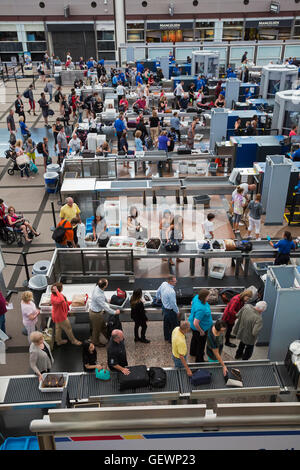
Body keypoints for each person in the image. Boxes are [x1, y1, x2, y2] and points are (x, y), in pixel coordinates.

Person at [89, 279, 120, 347]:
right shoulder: (98, 296)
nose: (107, 283)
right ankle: (96, 342)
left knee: (103, 326)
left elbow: (103, 294)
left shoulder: (98, 287)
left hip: (97, 313)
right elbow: (106, 308)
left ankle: (109, 338)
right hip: (96, 314)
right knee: (96, 330)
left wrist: (107, 300)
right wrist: (115, 312)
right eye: (107, 283)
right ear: (104, 286)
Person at [188, 289, 213, 363]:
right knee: (201, 345)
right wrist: (201, 331)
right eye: (208, 296)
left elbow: (191, 302)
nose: (209, 297)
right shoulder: (201, 309)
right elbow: (196, 323)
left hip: (193, 326)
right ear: (204, 297)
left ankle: (192, 352)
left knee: (195, 339)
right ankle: (199, 359)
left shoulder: (196, 297)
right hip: (200, 328)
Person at [156, 276, 179, 343]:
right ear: (170, 282)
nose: (176, 282)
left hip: (164, 307)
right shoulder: (171, 291)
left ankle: (166, 337)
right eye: (174, 281)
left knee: (166, 324)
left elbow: (158, 291)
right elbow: (173, 304)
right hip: (170, 310)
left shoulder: (164, 284)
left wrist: (157, 298)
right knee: (173, 325)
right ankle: (171, 339)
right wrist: (177, 311)